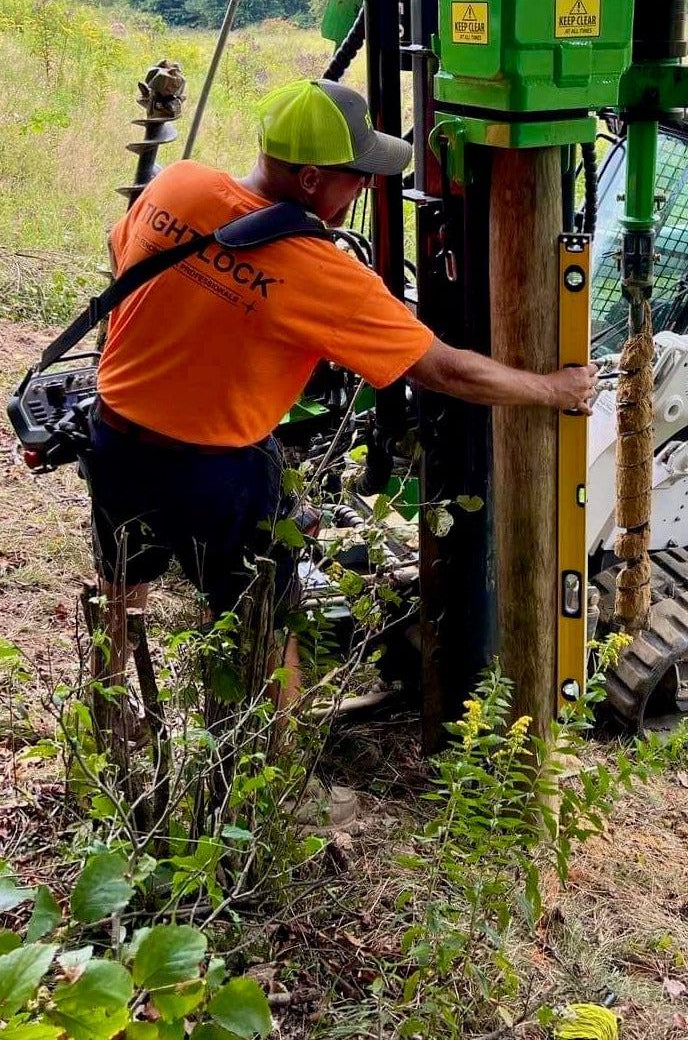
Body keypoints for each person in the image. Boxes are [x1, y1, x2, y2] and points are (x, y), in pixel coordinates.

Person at [86, 76, 598, 694]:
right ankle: (277, 771)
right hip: (214, 476)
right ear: (309, 179)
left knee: (121, 587)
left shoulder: (178, 184)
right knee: (265, 630)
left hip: (113, 437)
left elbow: (125, 264)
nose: (363, 186)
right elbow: (443, 369)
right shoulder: (322, 274)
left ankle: (109, 719)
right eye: (357, 174)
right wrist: (554, 389)